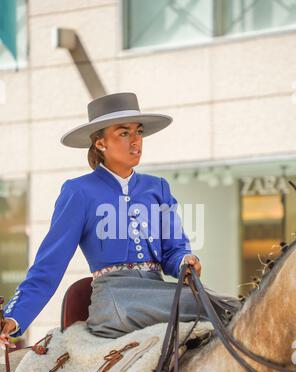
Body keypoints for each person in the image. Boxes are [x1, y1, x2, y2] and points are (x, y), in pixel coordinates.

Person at [0, 92, 241, 349]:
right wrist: (15, 317)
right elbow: (50, 264)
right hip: (116, 300)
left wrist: (185, 260)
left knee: (232, 306)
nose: (136, 142)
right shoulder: (78, 192)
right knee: (219, 307)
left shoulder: (157, 188)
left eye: (138, 132)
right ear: (101, 143)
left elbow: (173, 252)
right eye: (124, 134)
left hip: (159, 294)